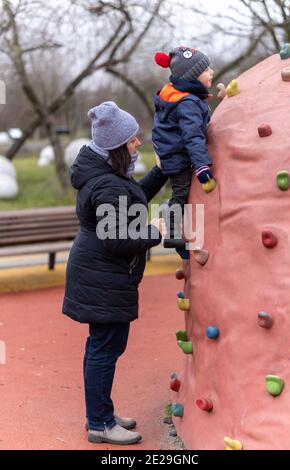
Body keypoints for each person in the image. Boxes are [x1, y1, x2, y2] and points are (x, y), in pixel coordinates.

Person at [62, 101, 167, 445]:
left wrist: (161, 171)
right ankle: (100, 424)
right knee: (104, 349)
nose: (138, 144)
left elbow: (132, 198)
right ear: (117, 145)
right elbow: (117, 237)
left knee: (104, 347)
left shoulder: (108, 176)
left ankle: (101, 414)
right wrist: (157, 231)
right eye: (133, 140)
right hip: (101, 277)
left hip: (100, 275)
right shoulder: (106, 183)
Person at [152, 46, 216, 250]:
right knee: (181, 192)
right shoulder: (187, 102)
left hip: (170, 149)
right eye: (206, 70)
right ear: (193, 77)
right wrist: (202, 166)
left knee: (182, 192)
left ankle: (175, 222)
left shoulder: (179, 96)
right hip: (176, 154)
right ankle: (173, 232)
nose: (211, 72)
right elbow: (192, 136)